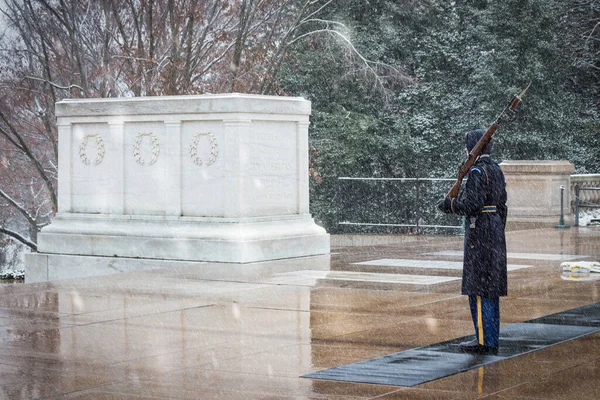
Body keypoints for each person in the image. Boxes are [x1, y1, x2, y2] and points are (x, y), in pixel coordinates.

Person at [437, 129, 508, 355]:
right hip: (494, 228)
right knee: (490, 288)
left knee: (479, 288)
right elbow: (503, 205)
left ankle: (484, 341)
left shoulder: (477, 171)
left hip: (480, 231)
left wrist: (450, 205)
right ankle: (490, 337)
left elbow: (472, 205)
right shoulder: (496, 169)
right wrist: (497, 227)